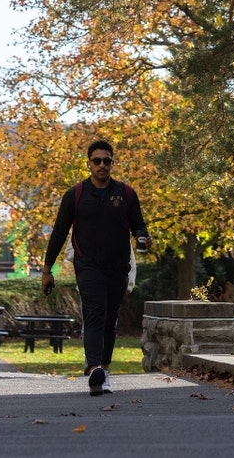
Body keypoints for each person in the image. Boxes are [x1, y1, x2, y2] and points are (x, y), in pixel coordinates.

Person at [41, 139, 150, 396]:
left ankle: (104, 370)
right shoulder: (76, 195)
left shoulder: (126, 194)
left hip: (117, 268)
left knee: (109, 321)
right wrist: (47, 271)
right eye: (97, 161)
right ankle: (93, 370)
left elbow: (139, 226)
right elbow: (58, 233)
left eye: (107, 161)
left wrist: (144, 236)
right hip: (88, 266)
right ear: (89, 164)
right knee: (95, 315)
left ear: (113, 163)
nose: (102, 165)